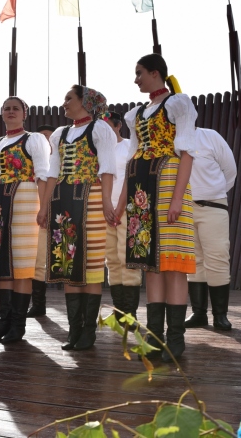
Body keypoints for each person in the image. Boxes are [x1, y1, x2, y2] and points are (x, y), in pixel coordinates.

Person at [122, 54, 197, 362]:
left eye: (139, 73)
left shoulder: (178, 104)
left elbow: (187, 152)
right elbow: (131, 155)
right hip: (141, 188)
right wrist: (123, 201)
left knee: (174, 264)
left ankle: (176, 339)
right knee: (150, 264)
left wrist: (178, 198)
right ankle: (155, 337)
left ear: (155, 73)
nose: (136, 79)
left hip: (167, 183)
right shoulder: (135, 114)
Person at [38, 86, 117, 350]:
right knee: (67, 263)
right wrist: (44, 206)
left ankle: (88, 332)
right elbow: (52, 172)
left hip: (91, 199)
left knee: (92, 264)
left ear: (86, 102)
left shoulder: (100, 128)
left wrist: (107, 201)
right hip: (64, 200)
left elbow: (106, 168)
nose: (64, 103)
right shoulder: (60, 134)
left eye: (69, 99)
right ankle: (74, 331)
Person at [0, 97, 50, 344]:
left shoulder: (34, 139)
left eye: (15, 108)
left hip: (25, 202)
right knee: (3, 267)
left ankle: (17, 326)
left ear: (25, 113)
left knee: (21, 266)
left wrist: (43, 209)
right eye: (6, 108)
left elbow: (42, 174)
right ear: (1, 114)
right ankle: (4, 322)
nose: (11, 112)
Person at [184, 127, 237, 331]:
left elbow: (230, 170)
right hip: (184, 209)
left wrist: (215, 192)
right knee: (194, 261)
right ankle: (199, 314)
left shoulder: (210, 136)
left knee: (217, 258)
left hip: (213, 205)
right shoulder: (170, 138)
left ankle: (220, 316)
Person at [104, 112, 142, 323]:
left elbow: (133, 176)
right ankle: (119, 311)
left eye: (107, 125)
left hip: (128, 210)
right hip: (104, 212)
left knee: (128, 259)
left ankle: (131, 314)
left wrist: (119, 207)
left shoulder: (129, 146)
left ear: (118, 126)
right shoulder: (96, 151)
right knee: (111, 260)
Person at [28, 124, 56, 318]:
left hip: (64, 211)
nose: (46, 141)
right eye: (42, 137)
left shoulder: (62, 160)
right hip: (37, 213)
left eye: (49, 137)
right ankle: (38, 305)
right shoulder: (33, 163)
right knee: (38, 259)